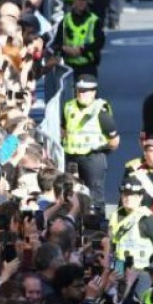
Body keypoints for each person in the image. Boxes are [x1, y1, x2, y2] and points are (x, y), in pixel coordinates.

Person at [61, 74, 119, 218]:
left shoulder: (100, 111)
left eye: (86, 91)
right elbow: (63, 131)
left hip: (92, 158)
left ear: (94, 92)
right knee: (70, 192)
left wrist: (100, 150)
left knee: (94, 196)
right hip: (71, 157)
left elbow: (114, 141)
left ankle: (95, 224)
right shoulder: (68, 107)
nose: (82, 94)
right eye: (79, 90)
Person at [108, 177, 153, 272]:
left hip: (141, 272)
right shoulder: (115, 216)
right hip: (119, 270)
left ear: (140, 197)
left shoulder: (146, 218)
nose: (128, 198)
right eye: (125, 194)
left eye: (133, 195)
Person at [51, 0, 106, 78]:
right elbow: (57, 43)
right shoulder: (66, 20)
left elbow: (100, 42)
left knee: (88, 86)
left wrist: (82, 49)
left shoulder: (94, 20)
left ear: (87, 1)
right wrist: (65, 49)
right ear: (74, 1)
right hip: (68, 66)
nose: (81, 2)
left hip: (88, 66)